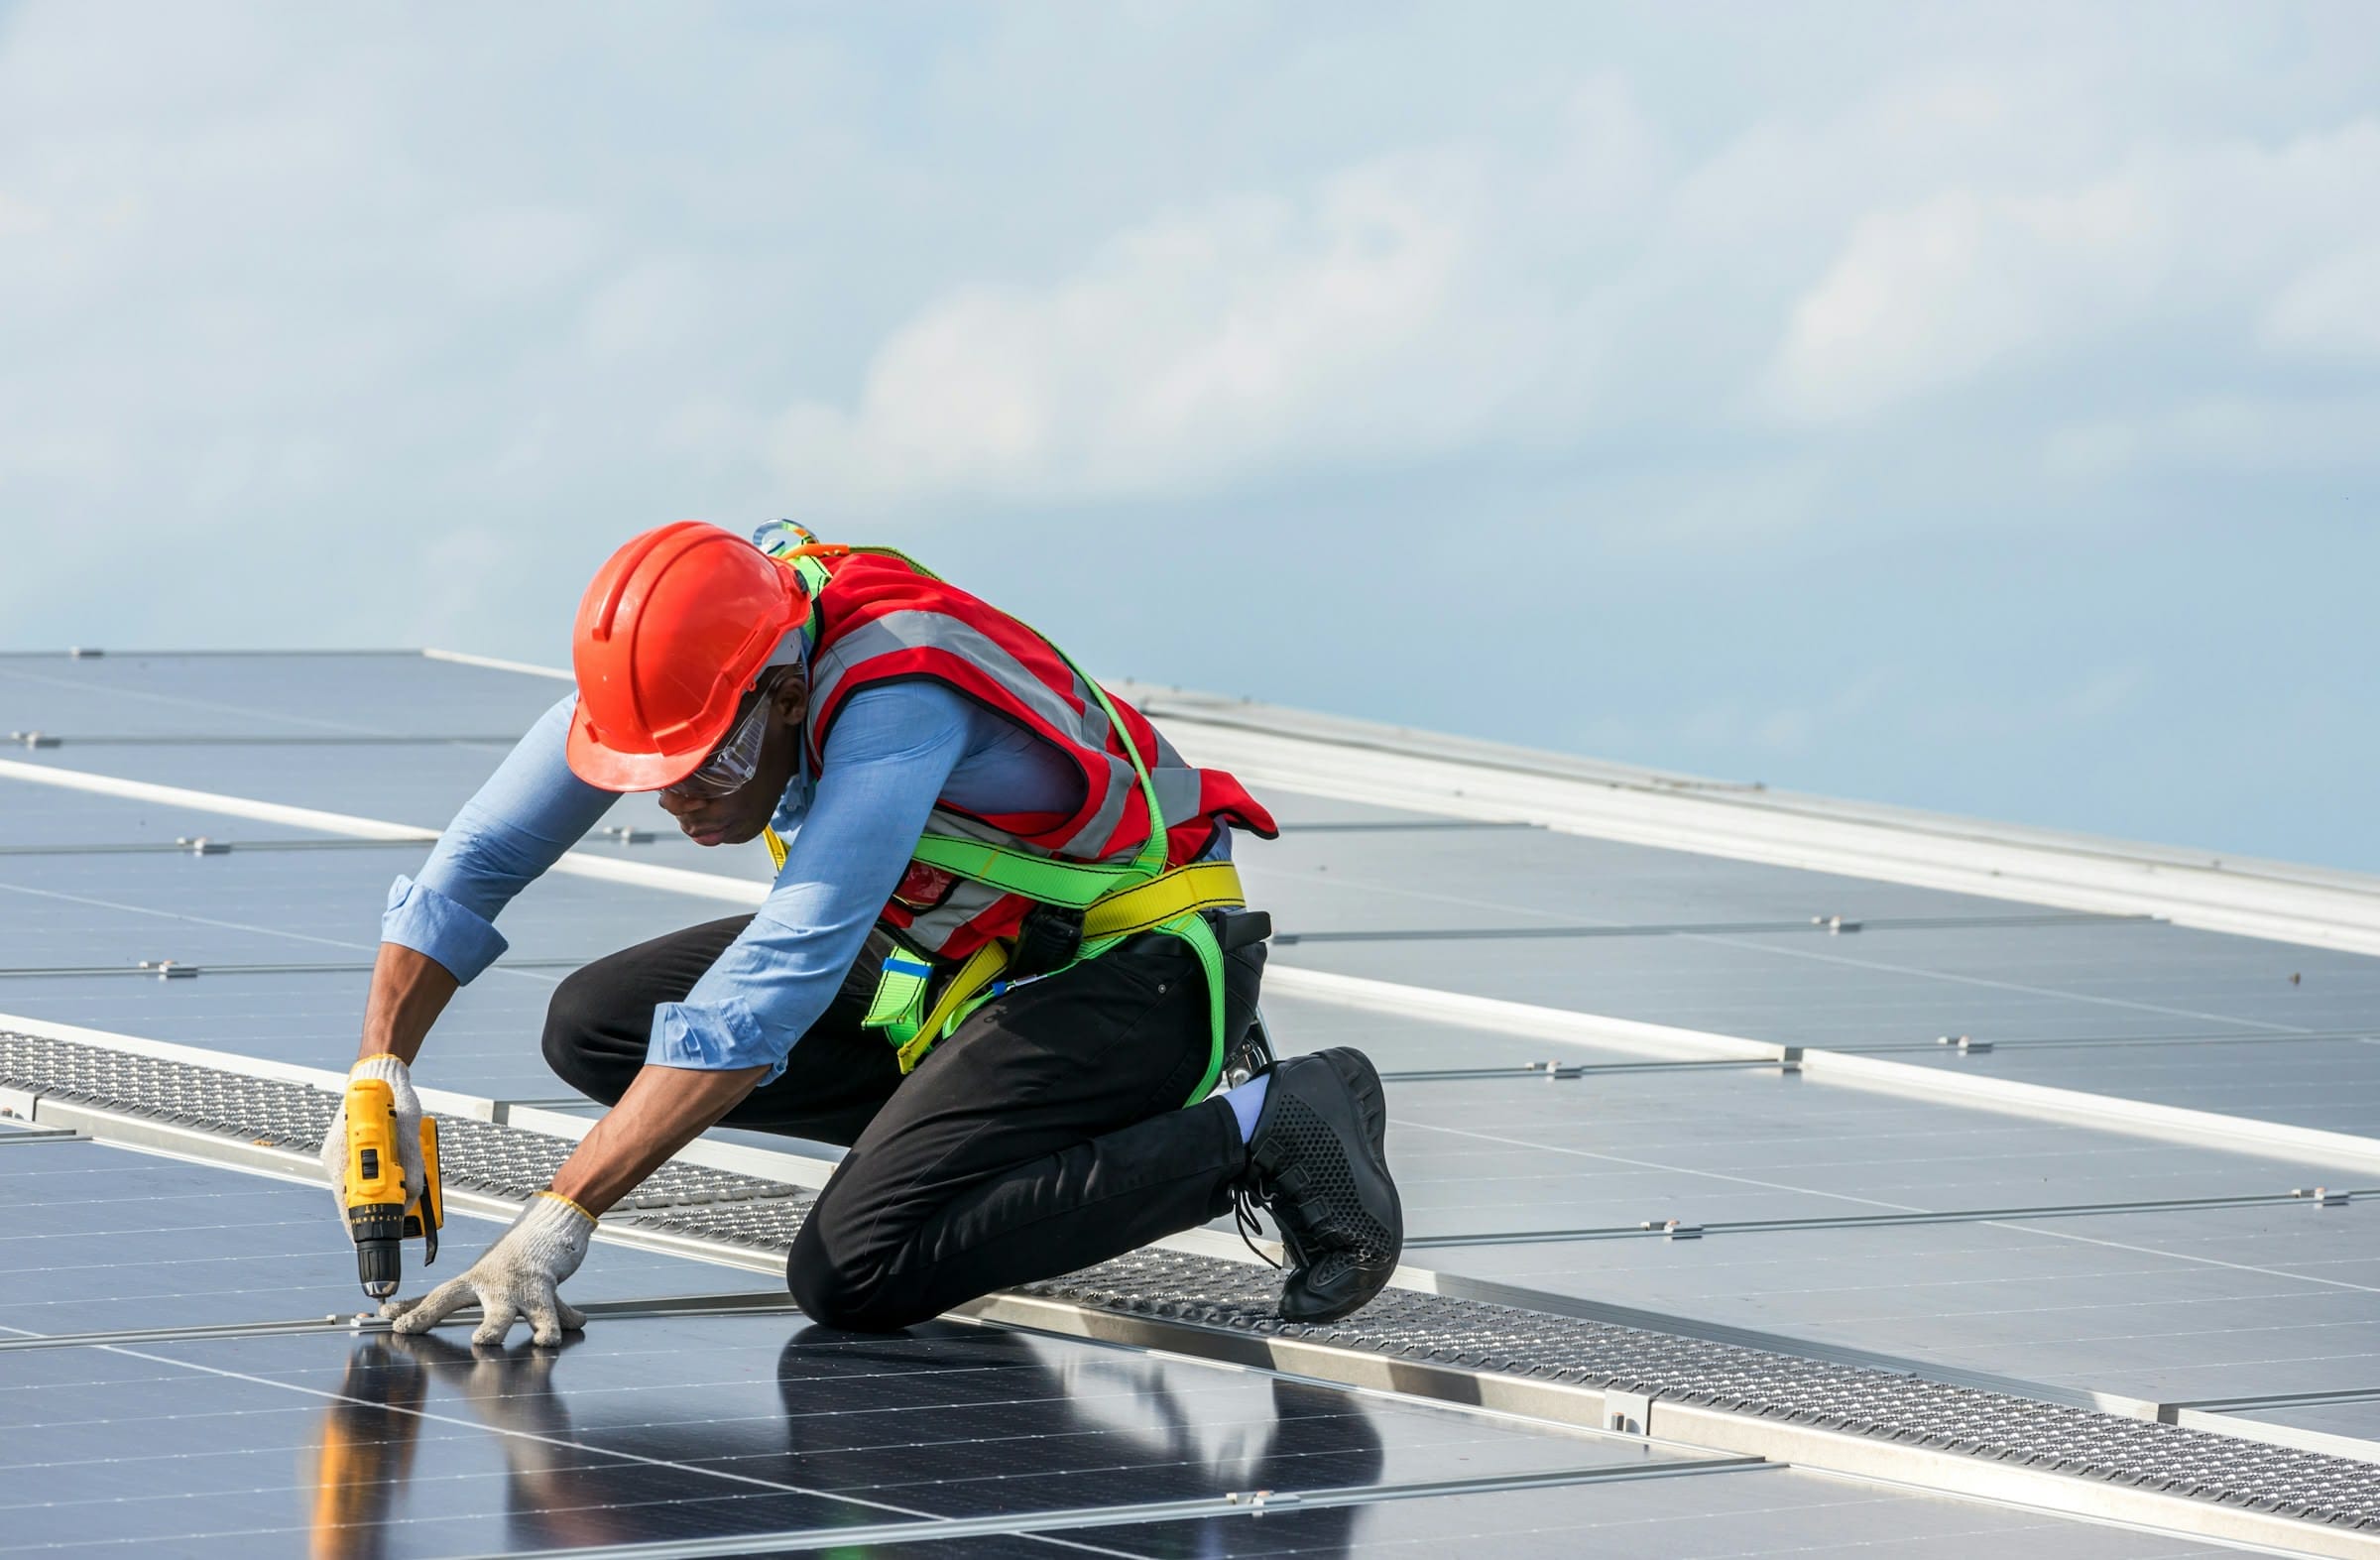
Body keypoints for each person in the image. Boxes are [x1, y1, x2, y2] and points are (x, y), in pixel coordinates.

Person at [324, 521, 1402, 1343]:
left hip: (1138, 967)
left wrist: (560, 1218)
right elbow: (479, 857)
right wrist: (379, 1071)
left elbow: (771, 986)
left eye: (706, 765)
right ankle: (953, 1142)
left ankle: (1265, 1125)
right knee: (596, 1025)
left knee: (854, 1270)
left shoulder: (897, 697)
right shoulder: (696, 658)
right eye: (651, 773)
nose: (680, 799)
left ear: (788, 694)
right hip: (968, 958)